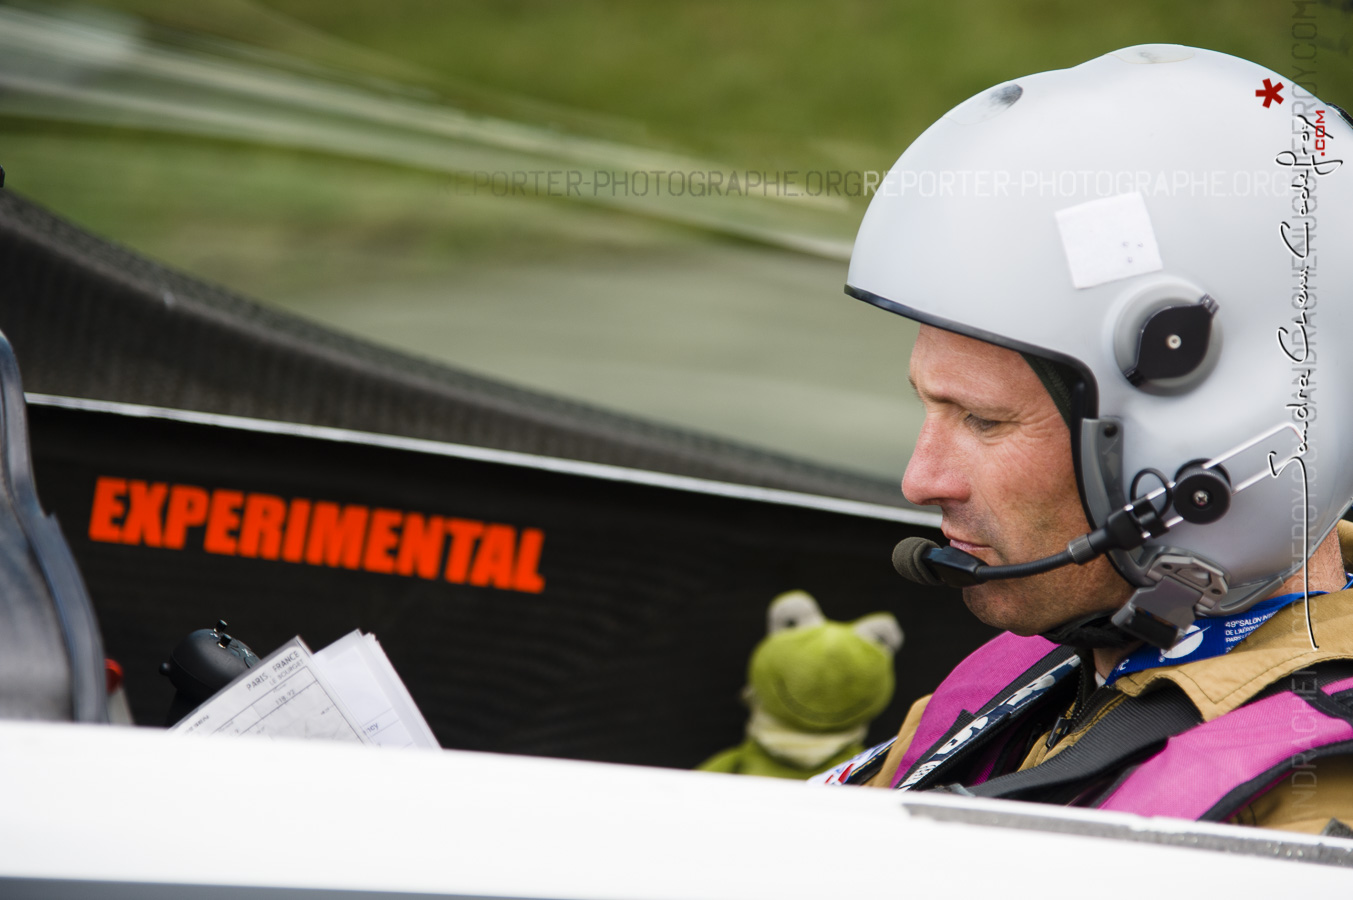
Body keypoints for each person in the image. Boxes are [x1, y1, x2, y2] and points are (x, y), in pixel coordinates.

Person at [814, 45, 1353, 836]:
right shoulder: (1054, 676)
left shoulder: (1300, 824)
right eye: (928, 408)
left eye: (982, 420)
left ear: (1212, 455)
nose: (920, 479)